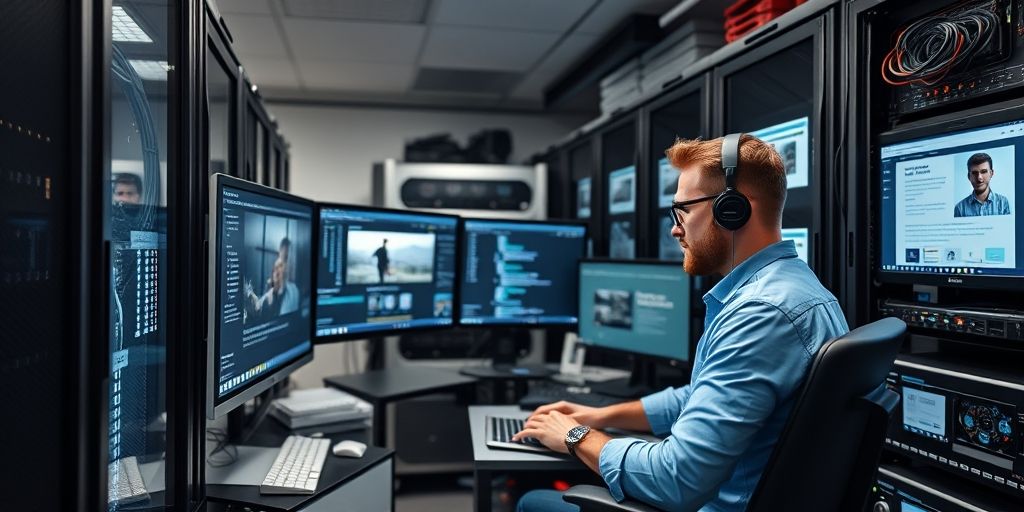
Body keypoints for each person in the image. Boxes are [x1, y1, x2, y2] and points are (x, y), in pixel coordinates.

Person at [513, 135, 849, 512]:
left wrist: (576, 435)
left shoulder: (761, 313)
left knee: (532, 503)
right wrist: (602, 415)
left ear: (733, 209)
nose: (675, 229)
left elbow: (676, 480)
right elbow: (701, 395)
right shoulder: (795, 289)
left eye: (683, 211)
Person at [953, 152, 1011, 217]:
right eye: (974, 173)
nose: (979, 177)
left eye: (983, 172)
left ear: (991, 173)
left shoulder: (1003, 203)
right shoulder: (960, 208)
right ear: (969, 176)